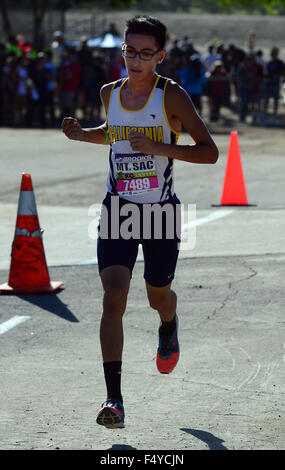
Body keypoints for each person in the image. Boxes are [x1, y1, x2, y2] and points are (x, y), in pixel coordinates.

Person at [61, 15, 218, 429]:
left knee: (157, 296)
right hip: (118, 208)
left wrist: (159, 146)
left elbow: (208, 152)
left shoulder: (172, 97)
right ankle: (114, 400)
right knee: (113, 297)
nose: (135, 59)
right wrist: (83, 135)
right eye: (130, 50)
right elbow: (114, 134)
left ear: (160, 56)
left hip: (160, 211)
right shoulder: (109, 93)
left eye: (145, 53)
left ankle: (170, 322)